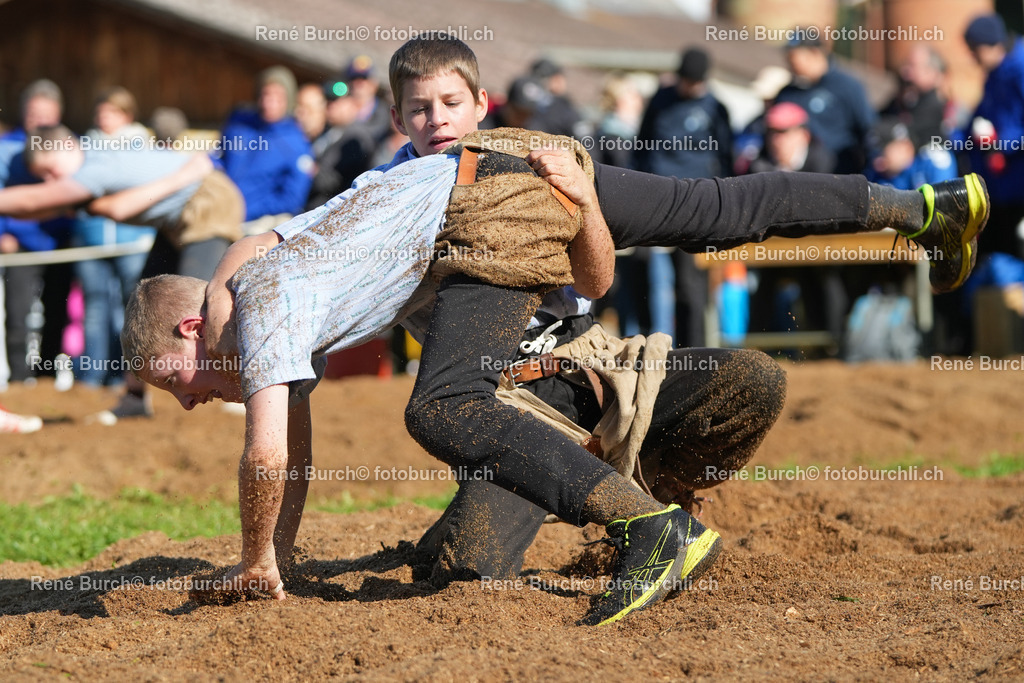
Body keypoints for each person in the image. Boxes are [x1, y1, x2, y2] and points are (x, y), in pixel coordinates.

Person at [121, 35, 989, 629]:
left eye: (176, 381)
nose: (191, 402)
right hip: (522, 195)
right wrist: (274, 554)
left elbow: (266, 452)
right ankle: (930, 212)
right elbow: (289, 428)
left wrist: (249, 557)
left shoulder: (273, 297)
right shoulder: (308, 256)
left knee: (446, 406)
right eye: (417, 108)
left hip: (507, 223)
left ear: (195, 325)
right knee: (726, 209)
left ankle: (654, 529)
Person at [635, 46, 733, 348]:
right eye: (685, 80)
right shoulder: (660, 101)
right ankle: (646, 345)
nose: (688, 87)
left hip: (697, 204)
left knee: (691, 284)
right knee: (644, 272)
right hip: (657, 200)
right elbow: (641, 147)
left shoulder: (716, 109)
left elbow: (726, 158)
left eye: (694, 82)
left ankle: (694, 351)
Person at [73, 87, 156, 387]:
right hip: (92, 239)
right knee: (94, 306)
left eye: (112, 112)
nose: (104, 117)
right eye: (101, 112)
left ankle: (130, 377)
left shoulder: (143, 148)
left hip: (133, 239)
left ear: (127, 115)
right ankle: (92, 376)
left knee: (132, 309)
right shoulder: (84, 148)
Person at [218, 66, 314, 236]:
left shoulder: (296, 144)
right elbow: (218, 159)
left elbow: (291, 199)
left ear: (289, 100)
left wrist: (245, 209)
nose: (269, 102)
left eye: (278, 97)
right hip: (218, 209)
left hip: (252, 224)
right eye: (266, 94)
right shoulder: (239, 125)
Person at [962, 13, 1024, 259]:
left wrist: (1002, 145)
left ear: (988, 44)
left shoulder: (1018, 68)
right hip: (998, 188)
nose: (972, 57)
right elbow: (978, 119)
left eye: (973, 49)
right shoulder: (994, 75)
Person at [774, 30, 876, 174]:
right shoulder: (788, 94)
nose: (789, 64)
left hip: (839, 173)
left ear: (815, 54)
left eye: (793, 58)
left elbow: (868, 129)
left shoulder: (847, 86)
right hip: (795, 176)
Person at [880, 45, 952, 149]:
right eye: (905, 65)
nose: (904, 72)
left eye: (912, 66)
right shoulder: (907, 100)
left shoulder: (936, 107)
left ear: (932, 73)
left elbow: (909, 133)